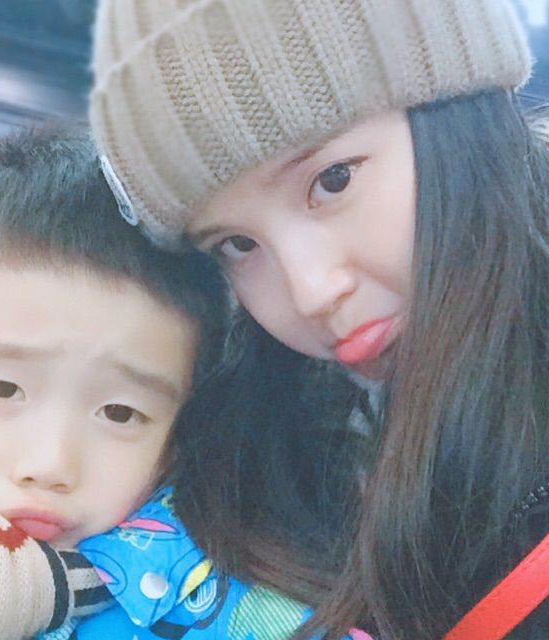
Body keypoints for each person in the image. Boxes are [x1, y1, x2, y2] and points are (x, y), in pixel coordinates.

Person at [89, 0, 549, 638]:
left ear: (461, 115)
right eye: (237, 245)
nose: (310, 293)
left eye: (332, 181)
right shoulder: (235, 468)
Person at [0, 124, 337, 640]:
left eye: (119, 413)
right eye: (1, 389)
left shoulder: (233, 613)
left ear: (178, 434)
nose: (50, 465)